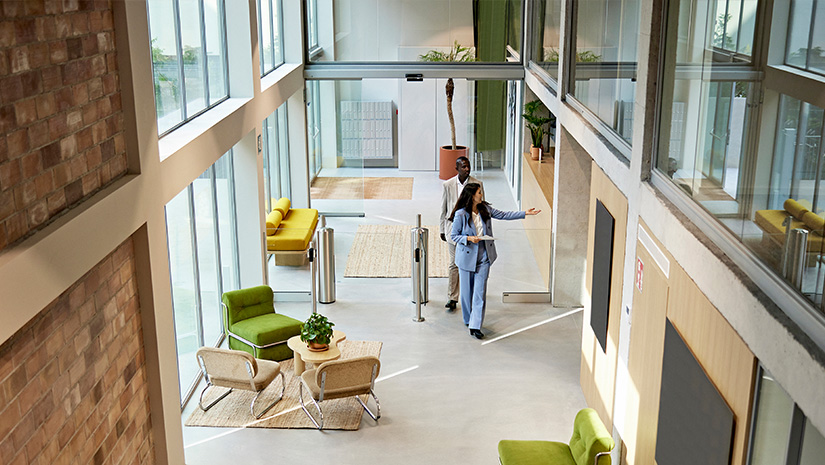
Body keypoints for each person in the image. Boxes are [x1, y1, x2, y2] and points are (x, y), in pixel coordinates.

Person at [449, 183, 540, 339]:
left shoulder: (485, 208)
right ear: (471, 196)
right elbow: (454, 236)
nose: (481, 195)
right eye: (479, 193)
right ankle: (468, 319)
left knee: (480, 292)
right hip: (466, 257)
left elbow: (504, 215)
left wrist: (525, 213)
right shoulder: (461, 214)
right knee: (466, 292)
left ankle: (475, 325)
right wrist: (468, 238)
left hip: (484, 257)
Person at [440, 156, 483, 312]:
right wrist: (442, 229)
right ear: (456, 168)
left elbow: (481, 209)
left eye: (468, 166)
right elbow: (443, 209)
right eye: (463, 166)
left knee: (469, 264)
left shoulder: (477, 184)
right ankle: (452, 297)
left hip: (470, 232)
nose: (467, 169)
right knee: (454, 264)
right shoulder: (448, 185)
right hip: (453, 230)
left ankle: (468, 295)